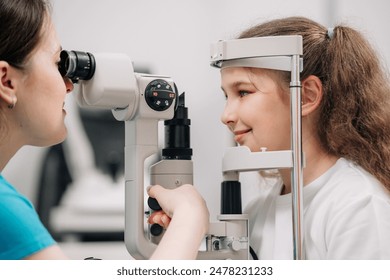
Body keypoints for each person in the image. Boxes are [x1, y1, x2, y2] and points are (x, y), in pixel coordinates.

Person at [148, 16, 390, 259]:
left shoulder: (358, 206)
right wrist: (185, 232)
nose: (226, 116)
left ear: (306, 96)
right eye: (226, 96)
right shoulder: (257, 212)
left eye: (243, 92)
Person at [0, 0, 73, 259]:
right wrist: (189, 219)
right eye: (57, 63)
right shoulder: (4, 209)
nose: (69, 85)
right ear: (6, 81)